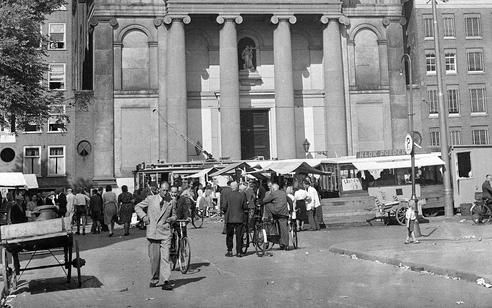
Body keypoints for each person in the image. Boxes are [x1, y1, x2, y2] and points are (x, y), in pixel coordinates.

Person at [135, 184, 176, 291]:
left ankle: (166, 280)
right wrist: (144, 217)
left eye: (167, 190)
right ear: (159, 190)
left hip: (165, 232)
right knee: (154, 259)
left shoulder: (171, 201)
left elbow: (174, 215)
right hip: (153, 233)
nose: (166, 193)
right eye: (163, 190)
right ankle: (154, 278)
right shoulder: (150, 199)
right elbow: (137, 207)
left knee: (165, 257)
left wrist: (171, 219)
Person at [221, 182, 247, 257]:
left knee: (229, 235)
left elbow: (224, 206)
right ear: (237, 187)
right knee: (239, 236)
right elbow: (245, 206)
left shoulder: (228, 195)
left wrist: (225, 211)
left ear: (231, 187)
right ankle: (239, 252)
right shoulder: (242, 195)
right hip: (239, 218)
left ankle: (230, 251)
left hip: (230, 218)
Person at [262, 183, 290, 250]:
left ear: (273, 189)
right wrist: (291, 210)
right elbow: (290, 201)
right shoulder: (283, 193)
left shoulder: (273, 193)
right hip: (284, 213)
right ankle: (285, 244)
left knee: (267, 203)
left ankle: (269, 217)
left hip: (276, 212)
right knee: (284, 229)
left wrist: (270, 194)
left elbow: (264, 200)